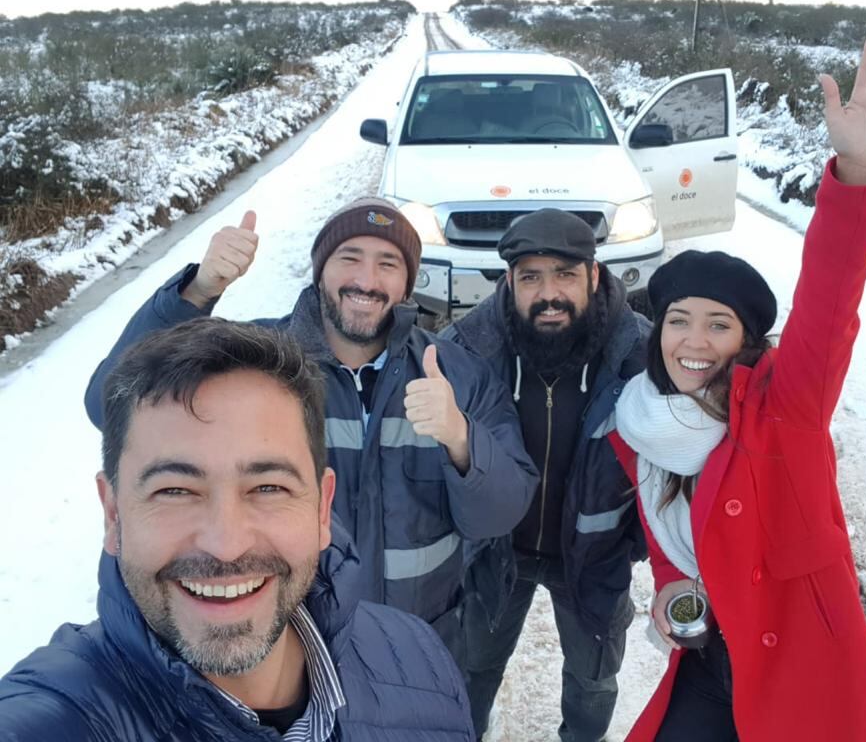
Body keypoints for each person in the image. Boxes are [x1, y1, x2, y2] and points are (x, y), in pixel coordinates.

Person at [609, 31, 866, 741]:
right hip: (709, 660)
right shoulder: (641, 426)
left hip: (798, 673)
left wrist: (857, 169)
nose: (693, 341)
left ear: (745, 342)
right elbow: (669, 546)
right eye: (678, 321)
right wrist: (669, 594)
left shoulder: (787, 408)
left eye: (717, 325)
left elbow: (829, 301)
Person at [82, 198, 538, 666]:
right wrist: (198, 292)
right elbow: (108, 403)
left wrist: (461, 439)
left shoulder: (459, 376)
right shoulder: (255, 366)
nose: (366, 279)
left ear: (406, 284)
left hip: (420, 647)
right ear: (320, 272)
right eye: (349, 258)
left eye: (388, 264)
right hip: (288, 654)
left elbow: (498, 517)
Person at [0, 318, 475, 741]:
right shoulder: (56, 717)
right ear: (113, 513)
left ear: (322, 508)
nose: (226, 546)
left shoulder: (419, 658)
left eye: (268, 488)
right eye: (175, 491)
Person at [442, 210, 649, 741]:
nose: (548, 293)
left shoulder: (638, 355)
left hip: (593, 553)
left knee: (593, 678)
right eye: (531, 277)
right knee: (472, 667)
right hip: (496, 549)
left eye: (565, 275)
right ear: (509, 282)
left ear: (594, 276)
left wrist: (638, 538)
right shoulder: (469, 350)